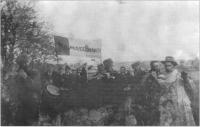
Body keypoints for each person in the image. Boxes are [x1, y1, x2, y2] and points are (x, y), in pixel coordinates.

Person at [158, 56, 195, 126]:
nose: (167, 67)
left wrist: (185, 78)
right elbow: (163, 87)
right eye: (166, 65)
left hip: (181, 101)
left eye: (169, 65)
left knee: (184, 120)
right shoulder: (162, 75)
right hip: (168, 102)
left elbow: (189, 85)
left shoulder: (179, 74)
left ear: (174, 65)